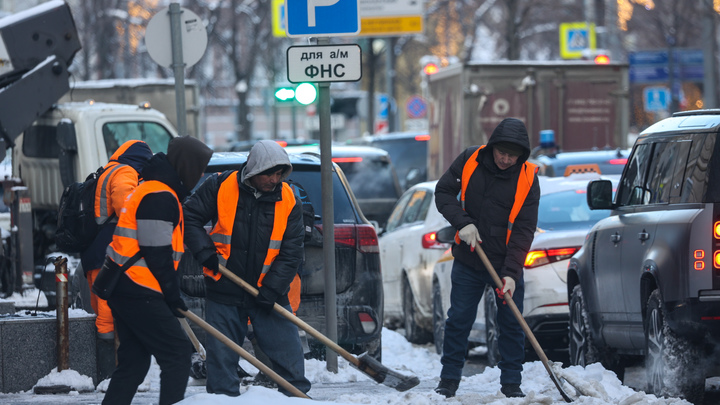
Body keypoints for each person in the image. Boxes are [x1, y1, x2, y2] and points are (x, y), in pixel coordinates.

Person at [183, 139, 311, 397]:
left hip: (267, 291)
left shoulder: (289, 199)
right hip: (225, 287)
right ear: (253, 170)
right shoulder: (219, 186)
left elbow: (291, 252)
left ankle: (298, 399)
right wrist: (205, 252)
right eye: (269, 173)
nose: (275, 180)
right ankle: (222, 400)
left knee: (290, 359)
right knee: (221, 363)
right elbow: (189, 217)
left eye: (279, 174)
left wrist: (273, 288)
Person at [100, 136, 212, 405]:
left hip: (127, 286)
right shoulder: (159, 195)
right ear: (187, 166)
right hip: (139, 288)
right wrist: (172, 296)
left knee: (134, 364)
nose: (198, 176)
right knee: (176, 355)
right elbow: (156, 252)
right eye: (198, 168)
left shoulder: (156, 189)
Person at [433, 117, 540, 399]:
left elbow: (524, 229)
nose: (506, 159)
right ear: (492, 147)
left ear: (522, 155)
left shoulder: (528, 177)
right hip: (469, 259)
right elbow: (443, 192)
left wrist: (511, 273)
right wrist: (462, 222)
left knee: (511, 323)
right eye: (501, 152)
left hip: (505, 262)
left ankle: (511, 384)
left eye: (512, 155)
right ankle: (449, 380)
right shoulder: (470, 159)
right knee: (458, 320)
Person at [80, 140, 153, 381]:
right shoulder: (124, 172)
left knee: (101, 308)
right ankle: (108, 374)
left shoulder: (107, 170)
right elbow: (126, 206)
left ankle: (107, 371)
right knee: (107, 314)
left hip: (95, 250)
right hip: (109, 252)